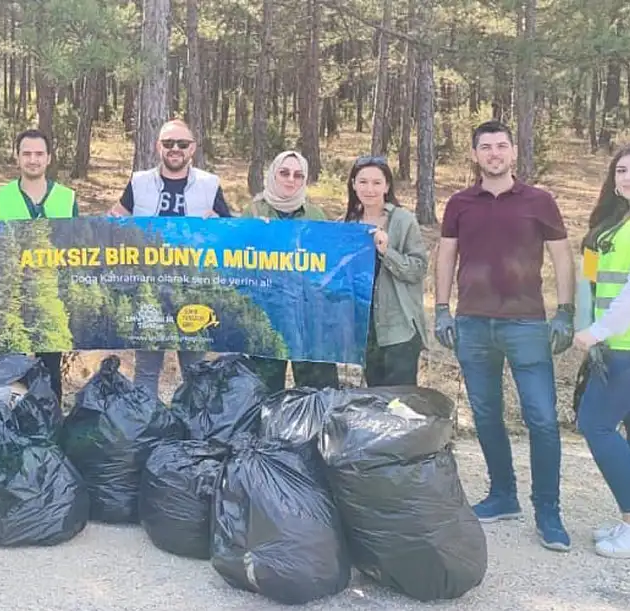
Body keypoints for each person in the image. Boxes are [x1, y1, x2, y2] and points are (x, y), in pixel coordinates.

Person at [434, 120, 575, 552]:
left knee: (543, 420)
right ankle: (502, 495)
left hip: (527, 324)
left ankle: (548, 511)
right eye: (485, 147)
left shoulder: (540, 201)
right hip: (473, 323)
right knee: (487, 415)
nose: (494, 153)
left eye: (501, 146)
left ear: (513, 152)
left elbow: (563, 258)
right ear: (475, 155)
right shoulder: (460, 203)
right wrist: (441, 308)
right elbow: (445, 256)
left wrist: (565, 312)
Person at [107, 119, 230, 398]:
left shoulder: (210, 185)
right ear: (157, 146)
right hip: (149, 289)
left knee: (194, 368)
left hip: (193, 290)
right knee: (147, 369)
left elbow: (229, 232)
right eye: (168, 143)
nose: (175, 149)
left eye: (182, 144)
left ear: (193, 149)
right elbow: (114, 221)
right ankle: (144, 428)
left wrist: (221, 225)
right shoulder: (139, 183)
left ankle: (193, 429)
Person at [572, 145, 630, 558]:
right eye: (621, 170)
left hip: (621, 345)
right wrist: (584, 325)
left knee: (596, 424)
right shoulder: (612, 223)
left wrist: (597, 331)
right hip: (611, 345)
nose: (625, 177)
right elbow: (591, 282)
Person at [0, 129, 77, 400]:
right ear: (17, 158)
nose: (33, 159)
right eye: (26, 153)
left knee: (49, 373)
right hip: (13, 301)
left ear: (49, 158)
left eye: (39, 154)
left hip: (52, 301)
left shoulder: (67, 197)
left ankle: (50, 429)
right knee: (11, 372)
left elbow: (76, 251)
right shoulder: (2, 196)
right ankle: (12, 429)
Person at [243, 150, 339, 391]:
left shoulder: (315, 214)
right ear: (273, 174)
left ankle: (312, 429)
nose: (290, 180)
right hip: (266, 314)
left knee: (314, 388)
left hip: (305, 314)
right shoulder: (253, 211)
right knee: (263, 387)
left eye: (298, 175)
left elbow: (328, 260)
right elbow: (237, 259)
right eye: (284, 173)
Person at [342, 156, 428, 386]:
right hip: (367, 330)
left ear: (387, 186)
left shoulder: (403, 220)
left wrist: (386, 251)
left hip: (399, 327)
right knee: (376, 397)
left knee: (400, 401)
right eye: (363, 182)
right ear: (353, 184)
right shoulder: (348, 225)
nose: (369, 189)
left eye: (376, 182)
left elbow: (418, 270)